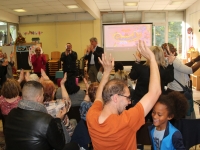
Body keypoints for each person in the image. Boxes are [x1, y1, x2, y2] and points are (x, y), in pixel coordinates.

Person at [86, 40, 161, 149]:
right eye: (127, 98)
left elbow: (98, 97)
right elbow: (155, 92)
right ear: (115, 98)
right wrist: (152, 59)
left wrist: (106, 72)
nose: (130, 102)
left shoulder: (91, 116)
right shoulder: (125, 121)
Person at [4, 80, 79, 150]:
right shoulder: (46, 120)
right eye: (42, 95)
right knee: (74, 145)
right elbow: (59, 145)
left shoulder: (11, 113)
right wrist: (58, 120)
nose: (43, 97)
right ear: (38, 98)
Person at [162, 43, 200, 119]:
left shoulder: (172, 60)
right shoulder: (174, 61)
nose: (174, 49)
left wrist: (194, 60)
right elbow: (190, 70)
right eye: (172, 48)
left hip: (173, 89)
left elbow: (183, 67)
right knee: (180, 114)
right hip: (177, 91)